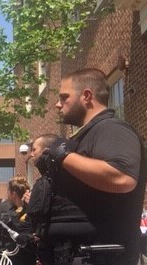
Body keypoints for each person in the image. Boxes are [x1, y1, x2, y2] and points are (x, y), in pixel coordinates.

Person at [41, 68, 145, 265]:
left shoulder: (112, 129)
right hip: (74, 254)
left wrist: (63, 155)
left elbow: (122, 178)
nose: (57, 104)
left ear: (87, 96)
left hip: (100, 256)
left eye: (64, 97)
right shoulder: (86, 136)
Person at [0, 177, 36, 265]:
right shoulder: (6, 209)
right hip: (10, 259)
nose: (7, 195)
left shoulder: (30, 212)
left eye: (8, 191)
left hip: (26, 259)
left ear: (13, 193)